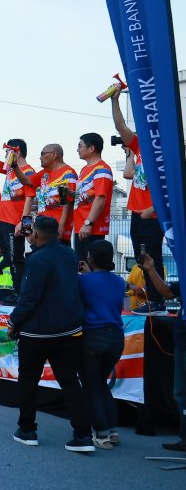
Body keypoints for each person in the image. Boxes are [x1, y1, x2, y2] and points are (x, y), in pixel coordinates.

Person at [6, 216, 94, 453]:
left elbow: (28, 298)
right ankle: (83, 434)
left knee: (28, 381)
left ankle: (27, 430)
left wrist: (13, 323)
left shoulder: (37, 260)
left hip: (37, 333)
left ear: (35, 233)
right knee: (70, 381)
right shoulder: (70, 254)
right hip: (69, 330)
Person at [110, 89, 165, 313]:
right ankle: (152, 299)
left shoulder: (166, 151)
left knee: (153, 257)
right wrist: (114, 100)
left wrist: (153, 208)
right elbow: (121, 127)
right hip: (137, 213)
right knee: (141, 259)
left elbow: (173, 188)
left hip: (153, 214)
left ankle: (158, 302)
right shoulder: (140, 145)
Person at [76, 240, 126, 450]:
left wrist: (84, 275)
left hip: (93, 335)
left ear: (91, 258)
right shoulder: (119, 281)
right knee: (101, 383)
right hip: (116, 337)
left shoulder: (83, 281)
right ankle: (112, 431)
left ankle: (101, 434)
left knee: (91, 386)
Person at [136, 251, 186, 451]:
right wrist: (150, 269)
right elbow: (168, 293)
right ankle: (184, 438)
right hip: (182, 340)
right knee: (180, 392)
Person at [0, 134, 35, 297]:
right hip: (3, 221)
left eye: (7, 153)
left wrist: (23, 224)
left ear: (17, 153)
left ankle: (21, 293)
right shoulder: (10, 169)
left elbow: (30, 198)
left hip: (16, 222)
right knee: (9, 259)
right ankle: (16, 291)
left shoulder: (28, 171)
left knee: (16, 259)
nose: (5, 156)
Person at [12, 144, 78, 246]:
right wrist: (15, 166)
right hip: (42, 228)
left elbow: (67, 202)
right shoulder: (44, 173)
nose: (40, 157)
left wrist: (61, 225)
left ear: (54, 155)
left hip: (55, 230)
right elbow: (27, 181)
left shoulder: (67, 173)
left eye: (43, 154)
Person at [72, 133, 114, 261]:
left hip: (92, 229)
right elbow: (85, 196)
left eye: (80, 146)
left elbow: (100, 198)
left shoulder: (102, 169)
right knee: (81, 265)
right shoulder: (85, 169)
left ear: (91, 148)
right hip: (81, 227)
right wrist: (71, 193)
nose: (77, 149)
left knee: (89, 266)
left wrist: (88, 223)